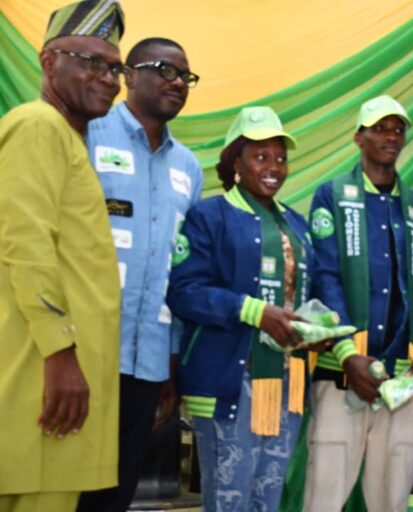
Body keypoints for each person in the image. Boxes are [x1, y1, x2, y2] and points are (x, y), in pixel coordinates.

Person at [0, 1, 125, 511]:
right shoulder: (37, 125)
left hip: (58, 384)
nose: (109, 79)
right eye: (92, 62)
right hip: (42, 378)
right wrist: (60, 354)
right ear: (49, 62)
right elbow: (27, 245)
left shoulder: (68, 138)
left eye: (114, 68)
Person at [76, 37, 203, 512]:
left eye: (185, 76)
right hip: (85, 352)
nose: (178, 83)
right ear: (129, 75)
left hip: (148, 363)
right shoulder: (88, 134)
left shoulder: (188, 167)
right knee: (68, 487)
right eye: (165, 70)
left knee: (118, 489)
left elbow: (181, 274)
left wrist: (171, 364)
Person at [167, 106, 312, 512]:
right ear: (236, 163)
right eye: (261, 156)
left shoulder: (296, 225)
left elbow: (303, 295)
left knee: (267, 499)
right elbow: (184, 291)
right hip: (230, 380)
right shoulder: (208, 216)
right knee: (229, 499)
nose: (274, 168)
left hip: (287, 382)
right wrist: (252, 311)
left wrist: (317, 326)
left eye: (280, 158)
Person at [303, 95, 413, 512]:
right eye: (380, 128)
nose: (391, 136)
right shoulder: (332, 196)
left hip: (402, 384)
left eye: (398, 129)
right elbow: (325, 277)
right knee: (324, 497)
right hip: (341, 375)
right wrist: (347, 354)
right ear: (358, 138)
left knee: (391, 500)